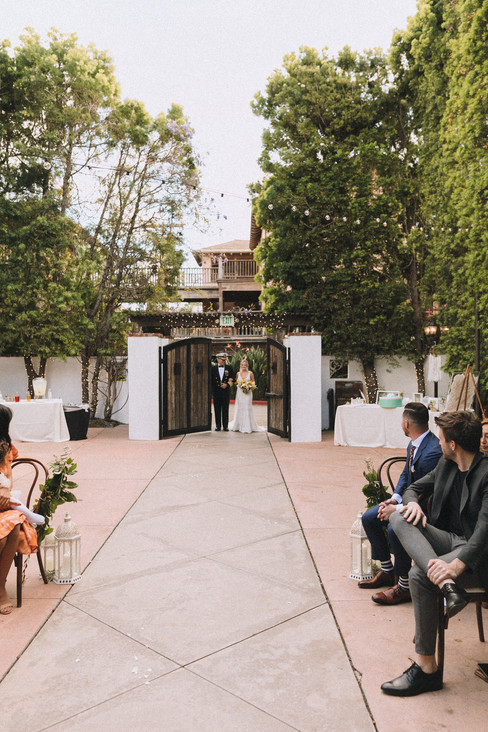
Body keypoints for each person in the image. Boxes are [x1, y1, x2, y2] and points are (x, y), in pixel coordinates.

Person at [381, 411, 488, 696]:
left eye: (440, 439)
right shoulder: (446, 464)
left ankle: (426, 669)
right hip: (447, 541)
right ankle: (447, 587)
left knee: (419, 574)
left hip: (476, 554)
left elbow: (485, 532)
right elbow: (413, 488)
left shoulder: (487, 474)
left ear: (453, 444)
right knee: (398, 516)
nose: (437, 443)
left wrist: (457, 566)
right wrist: (413, 503)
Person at [359, 402, 442, 605]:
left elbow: (425, 491)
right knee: (369, 517)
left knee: (394, 528)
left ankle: (404, 586)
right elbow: (406, 475)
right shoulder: (415, 442)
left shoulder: (433, 451)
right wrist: (394, 498)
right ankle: (387, 571)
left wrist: (396, 509)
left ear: (406, 424)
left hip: (425, 508)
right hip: (406, 502)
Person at [0, 405, 38, 615]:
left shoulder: (5, 447)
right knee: (2, 539)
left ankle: (0, 588)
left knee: (14, 525)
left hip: (2, 503)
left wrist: (5, 491)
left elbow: (8, 477)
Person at [229, 358, 265, 434]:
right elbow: (236, 382)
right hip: (240, 393)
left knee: (247, 407)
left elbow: (253, 382)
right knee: (240, 407)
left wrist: (249, 387)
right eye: (242, 365)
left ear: (247, 366)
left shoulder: (250, 373)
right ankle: (238, 426)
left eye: (245, 365)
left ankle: (247, 427)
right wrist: (237, 384)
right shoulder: (238, 373)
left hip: (248, 392)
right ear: (240, 366)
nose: (243, 366)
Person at [211, 353, 234, 431]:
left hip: (225, 392)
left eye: (224, 360)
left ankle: (225, 426)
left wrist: (227, 384)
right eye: (222, 360)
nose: (223, 361)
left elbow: (233, 379)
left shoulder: (229, 368)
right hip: (216, 392)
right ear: (218, 359)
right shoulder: (213, 369)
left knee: (225, 409)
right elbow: (211, 380)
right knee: (217, 409)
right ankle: (218, 425)